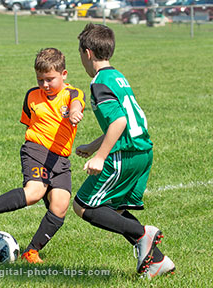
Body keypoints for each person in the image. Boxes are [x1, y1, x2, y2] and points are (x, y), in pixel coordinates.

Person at [0, 48, 85, 264]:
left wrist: (76, 111)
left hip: (61, 159)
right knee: (34, 192)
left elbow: (77, 103)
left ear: (64, 74)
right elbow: (29, 123)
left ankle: (31, 251)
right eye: (40, 80)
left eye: (50, 79)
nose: (45, 85)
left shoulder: (72, 95)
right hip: (36, 150)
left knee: (60, 206)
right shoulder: (32, 95)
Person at [73, 23, 175, 279]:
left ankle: (143, 233)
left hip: (124, 155)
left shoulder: (99, 84)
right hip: (142, 151)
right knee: (113, 208)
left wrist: (100, 156)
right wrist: (93, 145)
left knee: (84, 205)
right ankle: (159, 262)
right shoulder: (117, 76)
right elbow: (123, 120)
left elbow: (119, 122)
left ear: (87, 53)